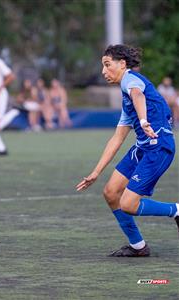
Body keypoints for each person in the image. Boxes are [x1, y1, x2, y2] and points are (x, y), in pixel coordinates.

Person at [76, 45, 178, 257]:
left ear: (122, 64)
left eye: (107, 65)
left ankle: (176, 210)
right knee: (111, 193)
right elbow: (117, 138)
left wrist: (143, 120)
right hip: (142, 148)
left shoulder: (130, 80)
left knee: (129, 204)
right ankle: (138, 246)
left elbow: (138, 95)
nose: (104, 71)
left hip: (158, 148)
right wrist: (96, 172)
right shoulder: (126, 99)